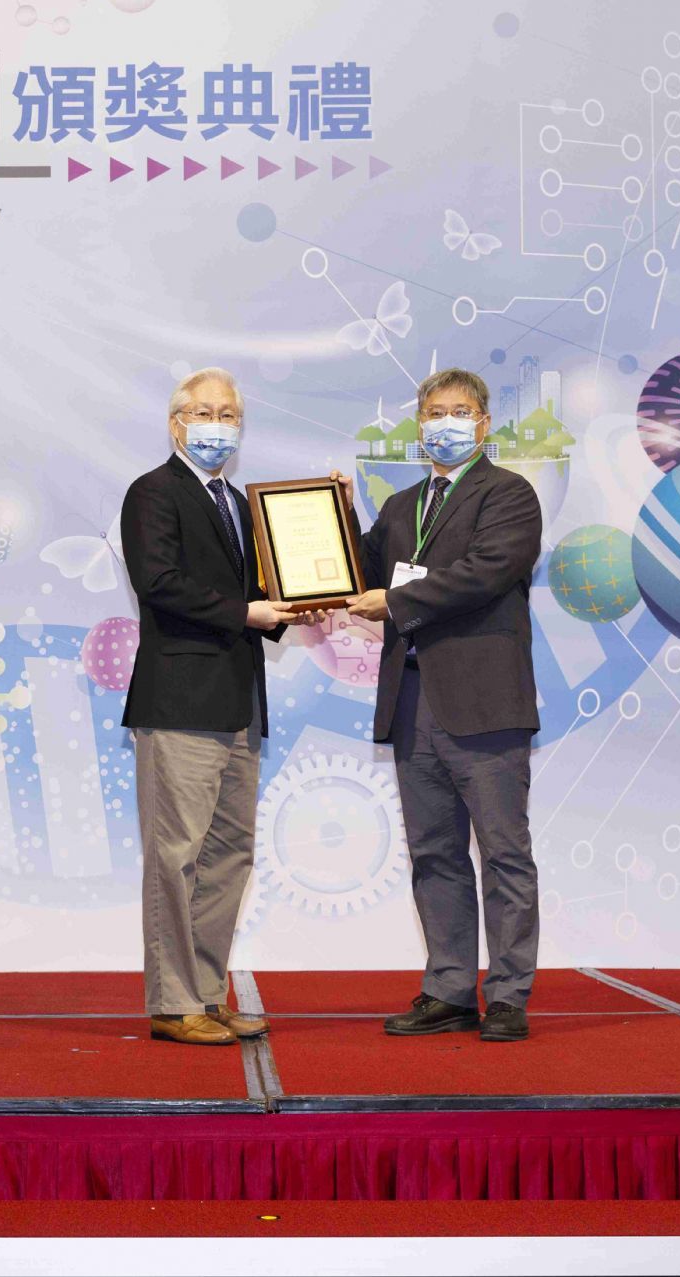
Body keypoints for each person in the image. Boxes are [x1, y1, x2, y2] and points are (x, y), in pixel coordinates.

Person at [343, 366, 543, 1042]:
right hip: (412, 701)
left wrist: (397, 600)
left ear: (483, 423)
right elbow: (359, 570)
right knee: (434, 854)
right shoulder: (402, 505)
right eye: (433, 411)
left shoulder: (508, 494)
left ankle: (508, 994)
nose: (444, 423)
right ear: (418, 422)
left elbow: (486, 571)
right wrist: (333, 511)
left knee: (503, 853)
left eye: (458, 411)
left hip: (484, 703)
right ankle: (450, 988)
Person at [120, 367, 311, 1046]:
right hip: (181, 701)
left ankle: (205, 991)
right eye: (203, 412)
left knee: (229, 855)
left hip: (238, 702)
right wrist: (246, 611)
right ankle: (173, 1004)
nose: (216, 425)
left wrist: (308, 582)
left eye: (228, 414)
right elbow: (159, 582)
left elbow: (272, 584)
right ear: (176, 423)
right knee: (175, 856)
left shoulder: (238, 502)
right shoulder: (153, 492)